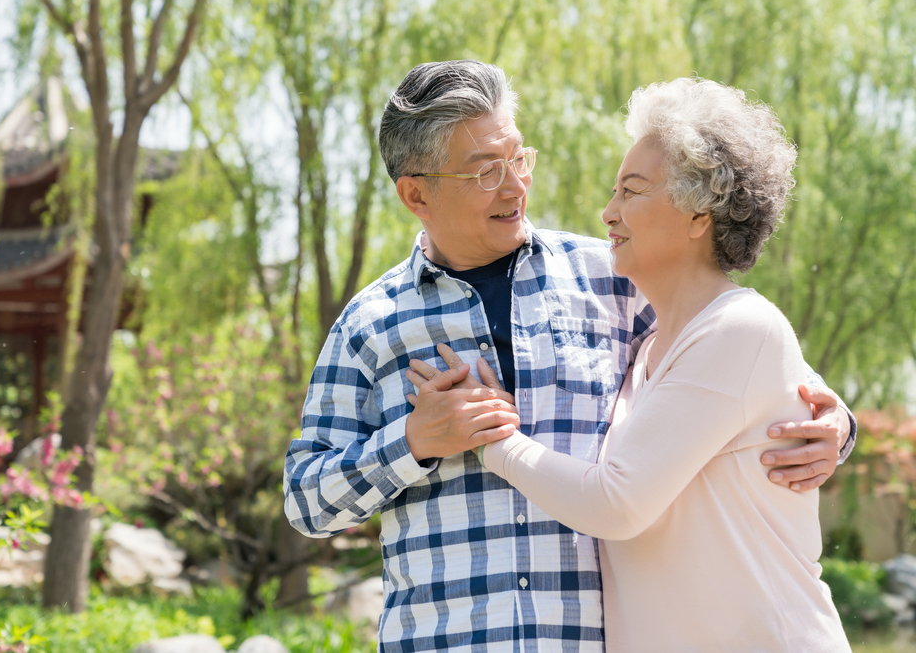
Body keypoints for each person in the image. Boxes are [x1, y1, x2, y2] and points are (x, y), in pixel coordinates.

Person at [283, 60, 854, 652]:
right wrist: (413, 441)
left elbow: (737, 360)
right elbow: (306, 502)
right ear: (415, 193)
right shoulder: (369, 325)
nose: (514, 186)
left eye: (518, 160)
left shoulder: (613, 283)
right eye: (485, 173)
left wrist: (833, 421)